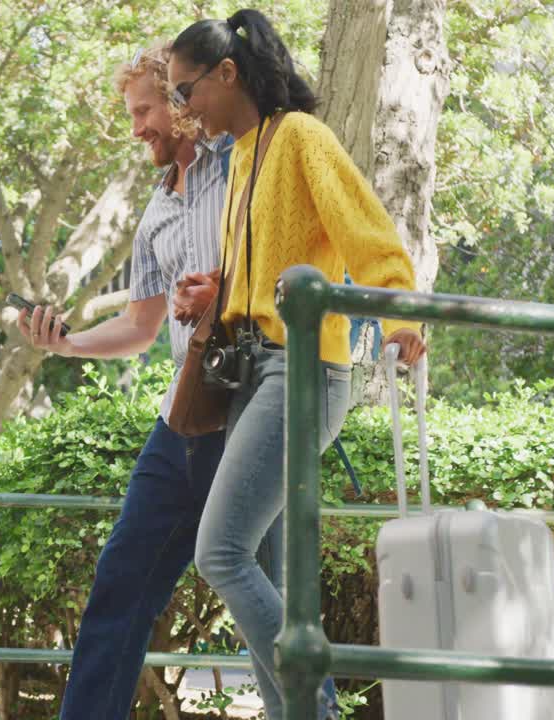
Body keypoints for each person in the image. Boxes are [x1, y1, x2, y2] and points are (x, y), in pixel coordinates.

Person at [167, 10, 427, 720]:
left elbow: (365, 231)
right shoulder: (244, 153)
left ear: (227, 73)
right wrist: (214, 294)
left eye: (185, 92)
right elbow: (268, 265)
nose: (180, 113)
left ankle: (317, 709)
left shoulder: (302, 137)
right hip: (253, 374)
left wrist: (400, 312)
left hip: (303, 369)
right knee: (267, 571)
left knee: (219, 552)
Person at [16, 43, 281, 719]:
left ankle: (312, 708)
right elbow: (139, 326)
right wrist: (67, 344)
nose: (137, 129)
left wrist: (224, 286)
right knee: (123, 576)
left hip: (256, 406)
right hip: (185, 417)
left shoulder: (245, 163)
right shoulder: (158, 210)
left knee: (264, 592)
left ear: (183, 99)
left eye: (145, 110)